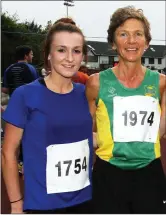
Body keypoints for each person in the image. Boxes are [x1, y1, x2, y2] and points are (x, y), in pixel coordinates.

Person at [2, 22, 93, 213]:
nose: (69, 58)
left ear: (83, 56)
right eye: (61, 50)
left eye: (76, 51)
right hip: (43, 204)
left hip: (85, 200)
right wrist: (16, 204)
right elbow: (8, 153)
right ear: (49, 54)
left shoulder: (86, 95)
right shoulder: (25, 95)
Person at [86, 6, 166, 213]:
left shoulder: (161, 83)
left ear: (147, 42)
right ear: (113, 43)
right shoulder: (95, 83)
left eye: (138, 34)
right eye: (123, 34)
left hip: (149, 173)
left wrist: (140, 144)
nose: (131, 41)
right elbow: (85, 127)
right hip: (108, 175)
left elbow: (161, 129)